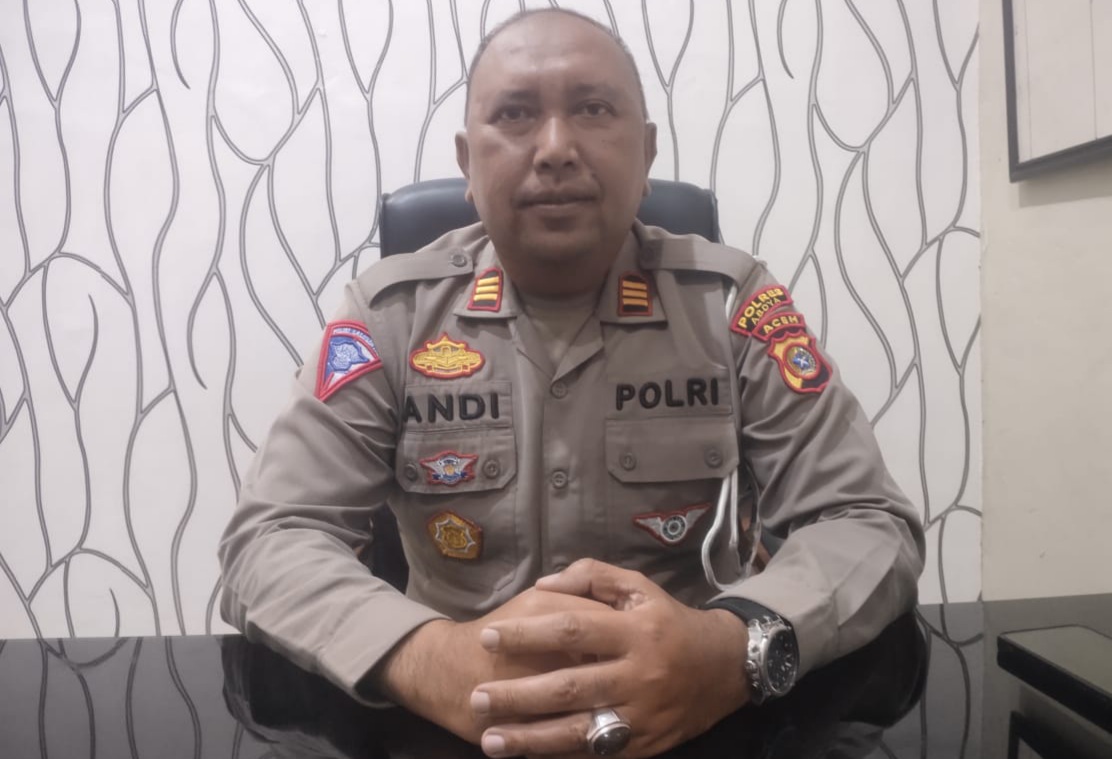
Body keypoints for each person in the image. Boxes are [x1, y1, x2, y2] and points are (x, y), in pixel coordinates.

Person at [218, 8, 925, 758]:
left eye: (592, 109)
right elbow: (270, 539)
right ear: (467, 161)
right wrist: (432, 659)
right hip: (451, 727)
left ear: (646, 152)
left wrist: (731, 648)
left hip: (692, 718)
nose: (555, 148)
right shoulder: (390, 316)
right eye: (515, 114)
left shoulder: (728, 306)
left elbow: (866, 520)